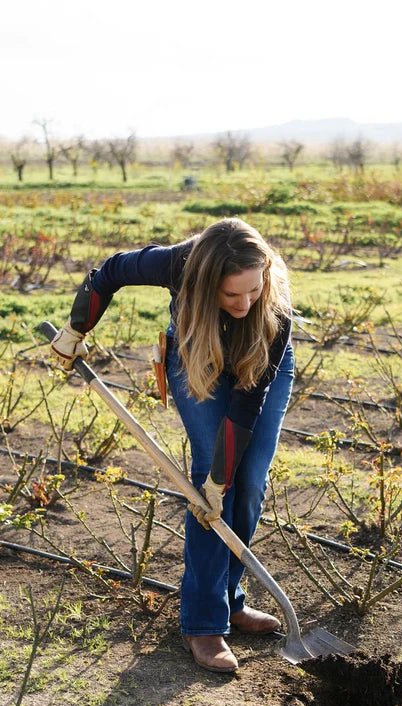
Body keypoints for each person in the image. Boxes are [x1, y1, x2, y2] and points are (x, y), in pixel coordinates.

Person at [51, 218, 294, 674]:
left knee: (247, 482)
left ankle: (229, 599)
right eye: (231, 294)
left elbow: (245, 409)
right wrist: (75, 328)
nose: (244, 303)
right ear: (205, 284)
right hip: (195, 347)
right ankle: (203, 623)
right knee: (208, 479)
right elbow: (109, 274)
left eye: (252, 289)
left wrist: (223, 481)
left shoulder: (270, 310)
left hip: (259, 363)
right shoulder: (177, 264)